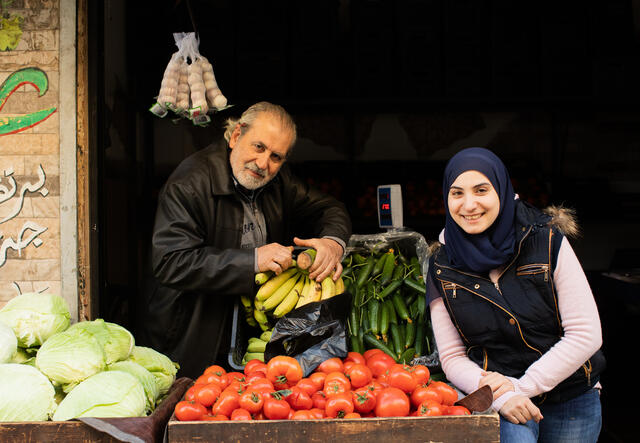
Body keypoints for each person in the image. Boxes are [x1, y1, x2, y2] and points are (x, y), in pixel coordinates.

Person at [137, 101, 352, 378]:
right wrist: (252, 260)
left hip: (251, 335)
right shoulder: (189, 184)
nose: (263, 164)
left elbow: (330, 208)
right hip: (190, 337)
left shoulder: (278, 182)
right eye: (258, 147)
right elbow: (171, 261)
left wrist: (333, 243)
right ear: (237, 135)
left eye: (276, 157)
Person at [426, 147, 605, 442]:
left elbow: (586, 333)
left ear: (502, 190)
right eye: (457, 193)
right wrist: (499, 398)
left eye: (481, 190)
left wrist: (519, 388)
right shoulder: (442, 264)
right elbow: (452, 356)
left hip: (571, 395)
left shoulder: (545, 240)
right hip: (501, 404)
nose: (469, 205)